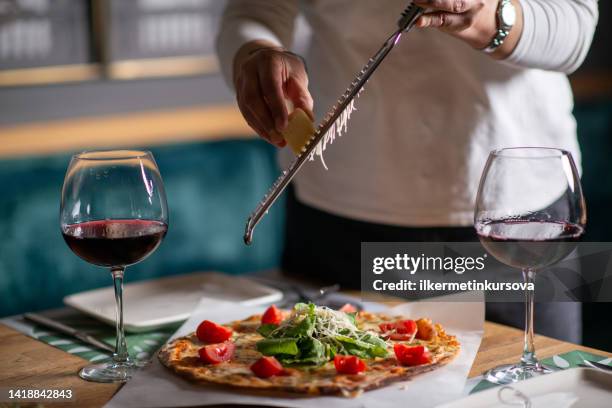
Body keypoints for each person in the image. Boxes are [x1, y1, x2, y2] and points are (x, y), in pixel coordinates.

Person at [216, 0, 598, 343]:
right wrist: (256, 54)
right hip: (343, 214)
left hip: (515, 217)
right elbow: (254, 12)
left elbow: (575, 30)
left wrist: (486, 17)